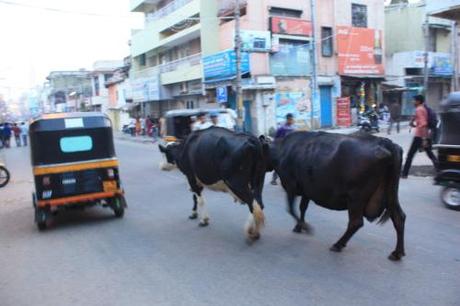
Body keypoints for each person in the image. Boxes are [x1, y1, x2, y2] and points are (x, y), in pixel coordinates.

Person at [401, 95, 438, 178]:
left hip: (420, 136)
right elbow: (421, 122)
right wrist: (413, 123)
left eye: (414, 100)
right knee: (430, 154)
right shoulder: (422, 109)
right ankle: (439, 170)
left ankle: (404, 173)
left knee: (410, 155)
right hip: (424, 135)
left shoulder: (419, 109)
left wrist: (424, 139)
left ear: (418, 101)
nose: (412, 102)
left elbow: (423, 123)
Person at [271, 113, 296, 185]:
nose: (291, 121)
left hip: (291, 148)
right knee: (280, 164)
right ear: (288, 119)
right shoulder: (282, 128)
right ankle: (274, 179)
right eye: (290, 119)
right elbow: (276, 138)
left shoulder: (293, 128)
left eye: (292, 119)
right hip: (283, 148)